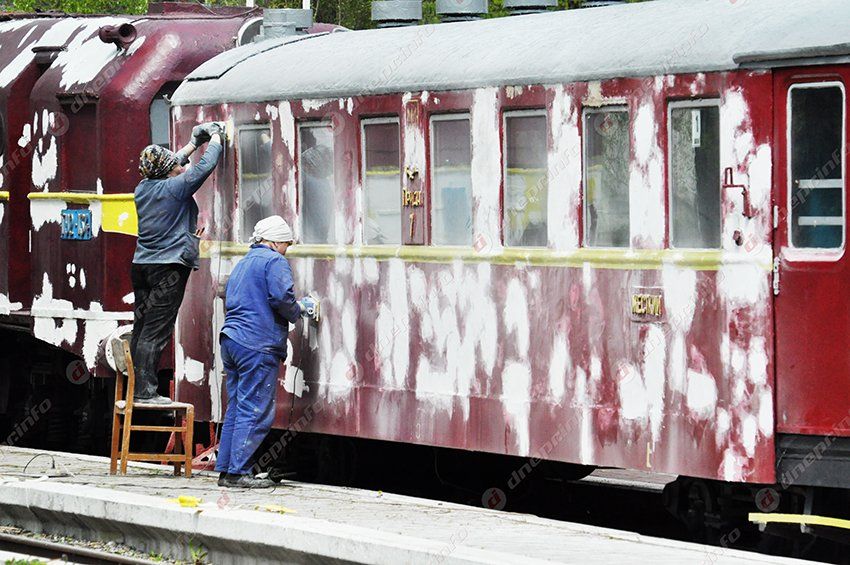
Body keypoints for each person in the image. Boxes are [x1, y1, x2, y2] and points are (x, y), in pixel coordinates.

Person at [216, 215, 317, 488]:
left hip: (231, 340)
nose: (287, 250)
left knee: (237, 407)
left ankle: (226, 472)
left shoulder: (243, 263)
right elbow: (281, 298)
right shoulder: (274, 261)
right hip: (256, 344)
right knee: (256, 410)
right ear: (273, 242)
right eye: (285, 244)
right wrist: (300, 310)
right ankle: (239, 473)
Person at [130, 123, 224, 404]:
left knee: (142, 326)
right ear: (165, 170)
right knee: (156, 330)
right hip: (168, 268)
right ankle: (146, 393)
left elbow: (172, 164)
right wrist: (217, 138)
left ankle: (138, 386)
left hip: (142, 265)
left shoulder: (143, 188)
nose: (176, 163)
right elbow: (203, 168)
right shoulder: (175, 188)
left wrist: (194, 143)